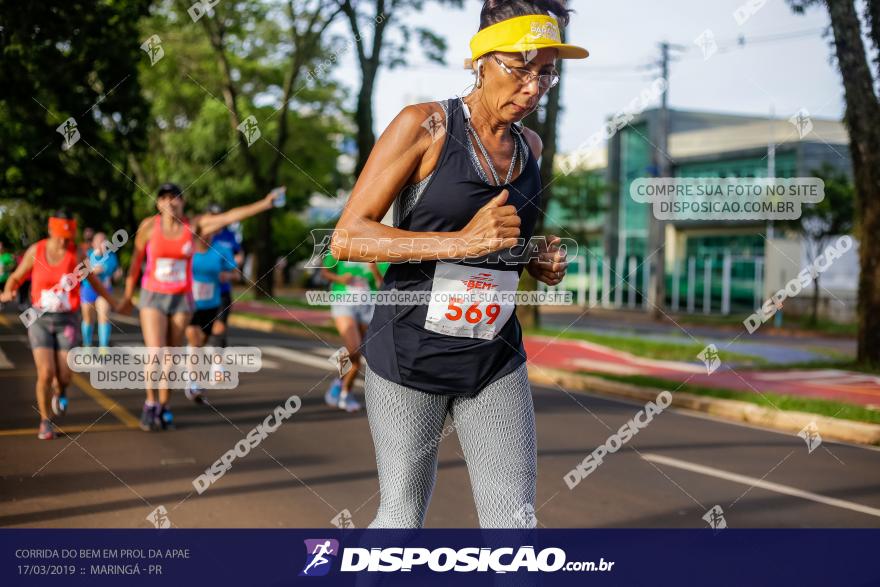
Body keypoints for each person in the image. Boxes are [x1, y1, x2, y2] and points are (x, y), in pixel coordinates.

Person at [329, 0, 583, 527]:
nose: (532, 88)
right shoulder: (426, 126)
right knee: (400, 518)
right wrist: (460, 243)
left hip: (493, 358)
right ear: (481, 61)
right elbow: (348, 237)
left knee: (514, 522)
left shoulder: (529, 145)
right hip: (409, 356)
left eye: (546, 75)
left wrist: (533, 257)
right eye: (520, 69)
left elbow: (500, 244)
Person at [118, 183, 284, 431]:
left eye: (175, 197)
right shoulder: (148, 227)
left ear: (182, 203)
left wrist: (265, 203)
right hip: (153, 295)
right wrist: (128, 296)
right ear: (158, 204)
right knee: (156, 353)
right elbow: (135, 263)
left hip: (181, 299)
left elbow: (230, 216)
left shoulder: (193, 227)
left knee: (172, 356)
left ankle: (163, 407)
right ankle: (150, 404)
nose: (170, 202)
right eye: (164, 198)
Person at [0, 212, 118, 439]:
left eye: (69, 237)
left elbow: (93, 282)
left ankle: (61, 390)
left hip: (68, 319)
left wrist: (115, 303)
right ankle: (45, 421)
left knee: (64, 375)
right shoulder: (37, 251)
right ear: (51, 231)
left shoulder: (77, 253)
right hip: (39, 319)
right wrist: (7, 291)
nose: (65, 242)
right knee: (45, 372)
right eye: (61, 237)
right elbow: (16, 277)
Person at [320, 253, 383, 412]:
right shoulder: (341, 247)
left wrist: (374, 270)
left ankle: (341, 387)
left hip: (368, 305)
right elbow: (325, 272)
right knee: (353, 348)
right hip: (343, 302)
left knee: (357, 356)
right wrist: (340, 279)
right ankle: (343, 392)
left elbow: (383, 284)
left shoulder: (377, 251)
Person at [184, 223, 237, 403]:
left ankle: (210, 370)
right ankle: (193, 381)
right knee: (194, 338)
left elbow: (235, 273)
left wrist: (227, 276)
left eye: (209, 234)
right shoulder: (188, 249)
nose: (206, 237)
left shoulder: (221, 249)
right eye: (203, 234)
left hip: (215, 301)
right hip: (191, 301)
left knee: (210, 335)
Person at [206, 204, 244, 348]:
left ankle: (217, 366)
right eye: (212, 216)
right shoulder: (201, 233)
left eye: (219, 216)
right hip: (201, 291)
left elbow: (238, 257)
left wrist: (229, 272)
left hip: (222, 290)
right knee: (198, 332)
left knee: (220, 327)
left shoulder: (229, 236)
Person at [79, 232, 119, 349]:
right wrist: (92, 270)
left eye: (103, 241)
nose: (102, 243)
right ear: (93, 243)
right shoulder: (87, 254)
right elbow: (82, 272)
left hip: (104, 290)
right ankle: (87, 345)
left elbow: (111, 269)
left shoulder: (111, 256)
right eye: (99, 241)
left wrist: (99, 270)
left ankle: (103, 347)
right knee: (87, 318)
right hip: (88, 289)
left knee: (104, 316)